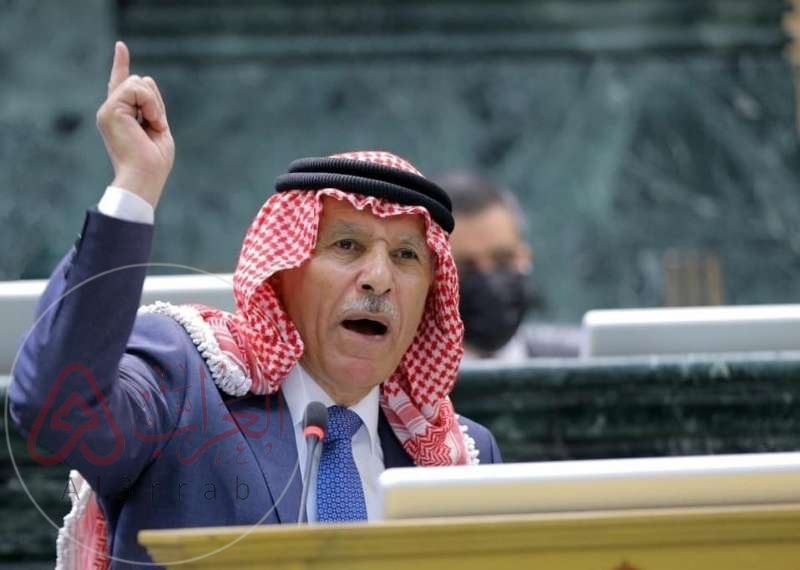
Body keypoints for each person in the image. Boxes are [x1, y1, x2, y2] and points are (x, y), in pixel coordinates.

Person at [8, 42, 501, 569]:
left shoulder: (459, 458)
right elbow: (56, 406)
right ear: (282, 272)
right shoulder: (182, 385)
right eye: (346, 246)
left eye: (405, 256)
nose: (378, 279)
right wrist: (135, 186)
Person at [437, 173, 582, 361]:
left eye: (503, 260)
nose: (489, 281)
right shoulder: (404, 376)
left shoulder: (581, 365)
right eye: (466, 267)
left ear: (525, 256)